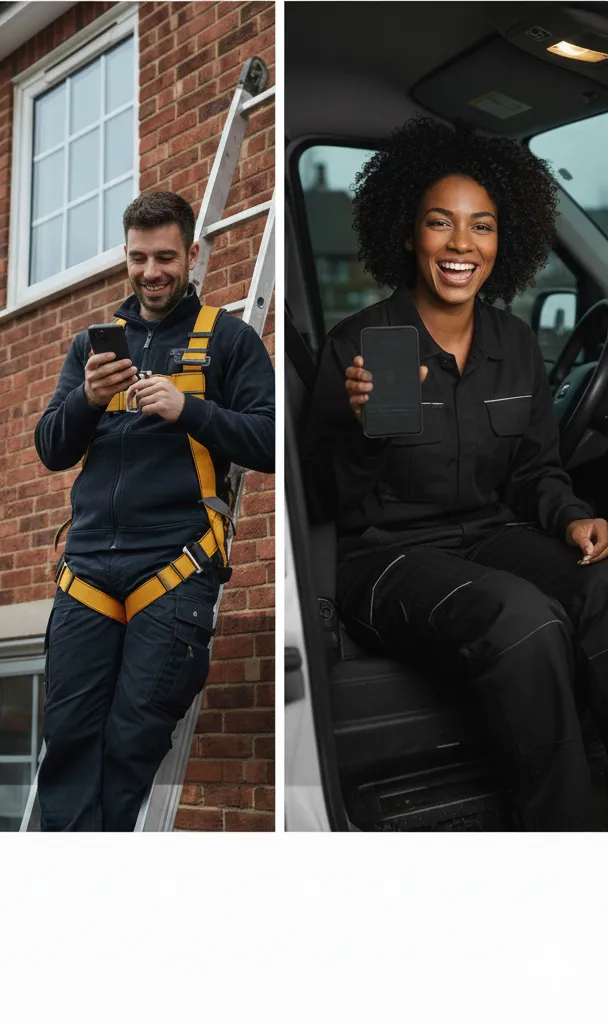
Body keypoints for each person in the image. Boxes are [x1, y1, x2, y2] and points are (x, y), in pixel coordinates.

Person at [303, 117, 608, 831]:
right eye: (441, 224)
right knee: (523, 618)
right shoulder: (361, 345)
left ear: (504, 241)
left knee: (601, 582)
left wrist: (570, 516)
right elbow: (320, 499)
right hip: (385, 555)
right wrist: (363, 425)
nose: (462, 245)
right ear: (410, 235)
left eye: (483, 226)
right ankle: (562, 833)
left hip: (491, 536)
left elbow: (535, 470)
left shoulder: (517, 343)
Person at [34, 191, 275, 831]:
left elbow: (275, 440)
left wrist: (187, 409)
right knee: (67, 739)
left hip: (172, 566)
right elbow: (51, 449)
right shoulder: (92, 344)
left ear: (191, 254)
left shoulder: (228, 340)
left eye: (166, 257)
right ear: (126, 258)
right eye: (139, 259)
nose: (152, 273)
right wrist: (85, 398)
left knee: (131, 740)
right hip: (86, 571)